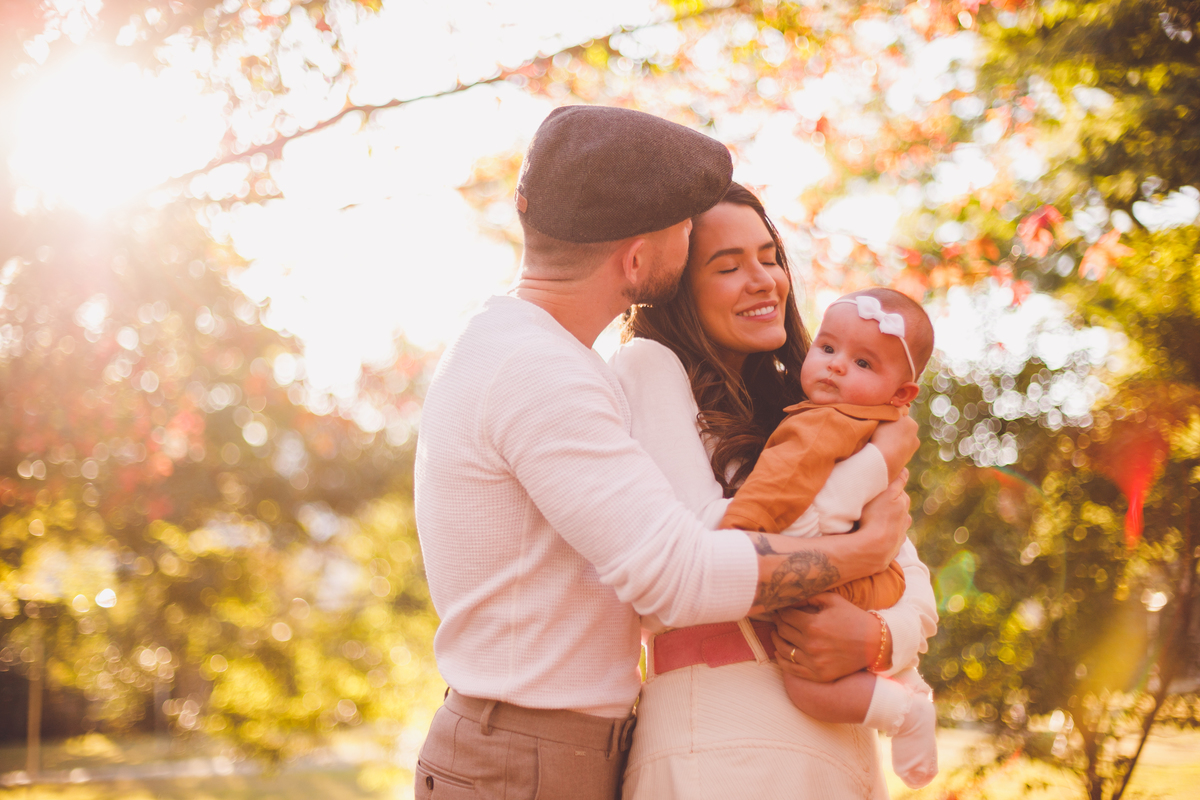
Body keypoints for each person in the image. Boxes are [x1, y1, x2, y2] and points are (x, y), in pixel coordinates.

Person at [413, 107, 914, 800]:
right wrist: (860, 553)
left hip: (558, 742)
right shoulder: (538, 370)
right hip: (527, 751)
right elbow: (676, 577)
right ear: (638, 256)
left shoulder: (541, 357)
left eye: (769, 257)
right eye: (687, 229)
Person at [612, 183, 937, 799]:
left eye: (770, 256)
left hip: (841, 735)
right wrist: (870, 478)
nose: (764, 280)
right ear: (681, 285)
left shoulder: (819, 399)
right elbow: (701, 548)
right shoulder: (650, 365)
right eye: (729, 266)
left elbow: (905, 567)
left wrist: (879, 636)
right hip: (724, 735)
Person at [718, 286, 940, 788]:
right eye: (828, 349)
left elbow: (775, 493)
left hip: (834, 580)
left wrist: (736, 536)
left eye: (863, 363)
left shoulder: (817, 425)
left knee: (808, 690)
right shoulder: (878, 428)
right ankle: (906, 688)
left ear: (902, 393)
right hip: (877, 581)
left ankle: (904, 711)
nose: (837, 366)